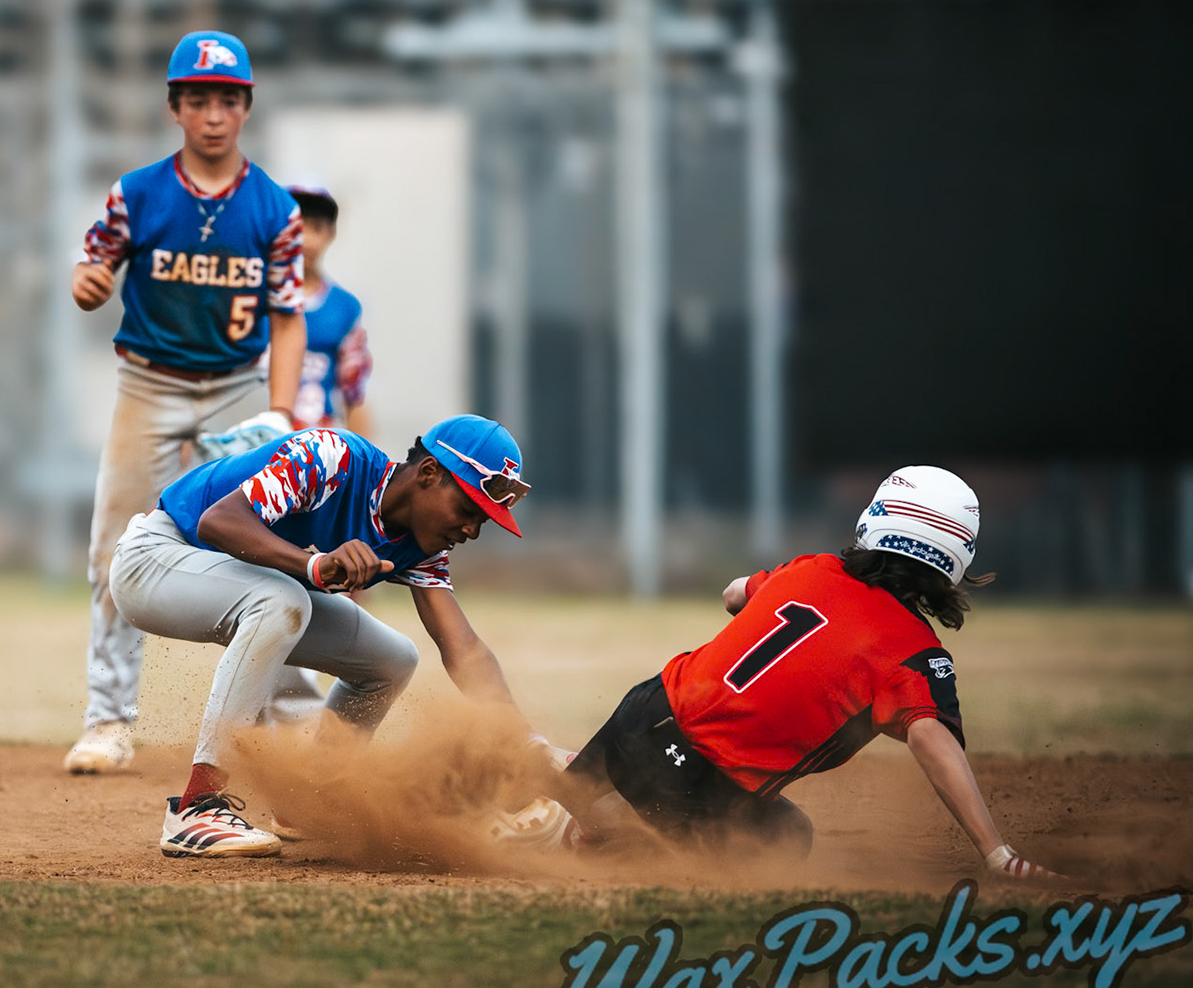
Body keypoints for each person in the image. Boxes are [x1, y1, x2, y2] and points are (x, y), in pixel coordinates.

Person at [504, 466, 1061, 882]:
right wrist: (996, 852)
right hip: (698, 785)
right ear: (956, 557)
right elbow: (932, 738)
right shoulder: (915, 652)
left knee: (628, 768)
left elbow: (731, 596)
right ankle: (599, 829)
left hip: (645, 711)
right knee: (787, 838)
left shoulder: (814, 567)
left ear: (877, 519)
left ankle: (552, 776)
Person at [110, 415, 534, 857]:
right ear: (429, 474)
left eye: (483, 520)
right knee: (283, 599)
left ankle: (306, 801)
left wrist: (526, 743)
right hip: (157, 558)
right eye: (468, 510)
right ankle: (197, 807)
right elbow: (218, 522)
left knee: (393, 660)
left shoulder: (422, 545)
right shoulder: (333, 458)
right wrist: (313, 566)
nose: (471, 529)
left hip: (249, 584)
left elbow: (462, 648)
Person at [63, 31, 308, 776]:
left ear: (245, 108)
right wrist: (88, 283)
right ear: (175, 108)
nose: (212, 114)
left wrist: (281, 411)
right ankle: (108, 718)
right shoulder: (137, 192)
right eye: (197, 99)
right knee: (114, 546)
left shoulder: (273, 207)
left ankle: (288, 723)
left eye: (226, 100)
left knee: (277, 545)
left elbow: (287, 315)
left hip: (236, 386)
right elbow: (92, 264)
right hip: (149, 383)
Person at [286, 186, 373, 436]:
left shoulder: (345, 308)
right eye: (297, 227)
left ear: (331, 234)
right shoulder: (255, 298)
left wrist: (366, 464)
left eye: (316, 228)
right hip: (256, 441)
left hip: (317, 441)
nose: (305, 239)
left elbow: (354, 394)